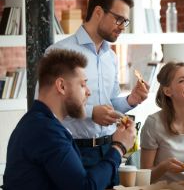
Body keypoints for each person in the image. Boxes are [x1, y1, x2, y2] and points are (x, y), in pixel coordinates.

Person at [44, 0, 149, 186]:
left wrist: (131, 100)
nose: (122, 26)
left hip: (109, 150)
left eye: (125, 21)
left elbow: (109, 105)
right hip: (73, 151)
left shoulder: (111, 57)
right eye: (119, 19)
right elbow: (47, 109)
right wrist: (91, 112)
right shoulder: (59, 52)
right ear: (99, 12)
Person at [3, 49, 136, 190]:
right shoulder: (46, 131)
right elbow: (84, 187)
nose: (88, 92)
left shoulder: (36, 123)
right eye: (82, 84)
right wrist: (119, 147)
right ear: (61, 86)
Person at [140, 62, 184, 183]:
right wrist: (163, 167)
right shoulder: (153, 123)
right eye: (182, 81)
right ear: (168, 91)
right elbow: (145, 179)